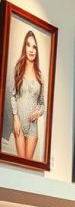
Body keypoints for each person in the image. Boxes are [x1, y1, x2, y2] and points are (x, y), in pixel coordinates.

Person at [8, 30, 46, 161]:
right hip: (20, 123)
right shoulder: (18, 69)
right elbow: (13, 95)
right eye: (28, 45)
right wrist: (15, 118)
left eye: (34, 47)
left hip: (32, 127)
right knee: (20, 163)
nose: (31, 50)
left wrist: (38, 113)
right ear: (24, 47)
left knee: (28, 165)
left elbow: (42, 104)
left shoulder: (40, 76)